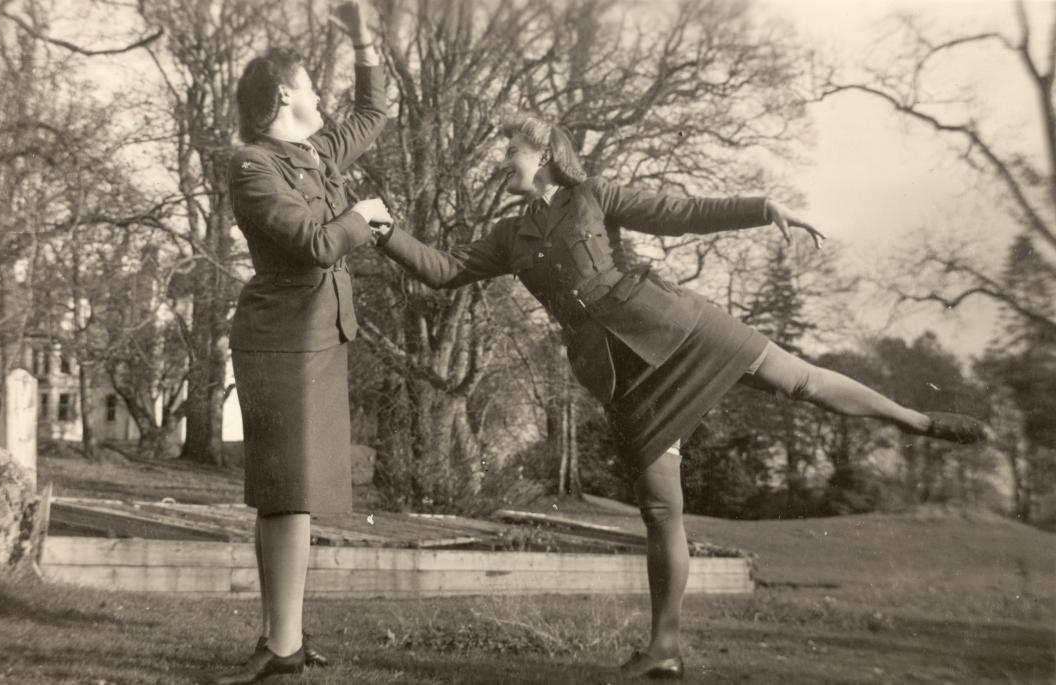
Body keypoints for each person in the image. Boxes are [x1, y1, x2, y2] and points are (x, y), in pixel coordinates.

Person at [369, 113, 990, 680]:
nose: (503, 159)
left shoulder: (594, 194)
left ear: (548, 153)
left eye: (512, 149)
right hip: (621, 375)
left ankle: (915, 420)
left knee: (799, 379)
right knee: (662, 512)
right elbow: (444, 269)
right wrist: (382, 228)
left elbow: (681, 211)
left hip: (676, 326)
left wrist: (762, 205)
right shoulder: (508, 237)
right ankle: (664, 650)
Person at [208, 2, 389, 682]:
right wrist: (362, 215)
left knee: (296, 493)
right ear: (285, 94)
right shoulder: (251, 166)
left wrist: (364, 40)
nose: (321, 96)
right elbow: (314, 243)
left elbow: (374, 115)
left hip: (317, 338)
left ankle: (283, 638)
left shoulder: (312, 152)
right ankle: (279, 645)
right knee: (284, 494)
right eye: (312, 85)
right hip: (279, 342)